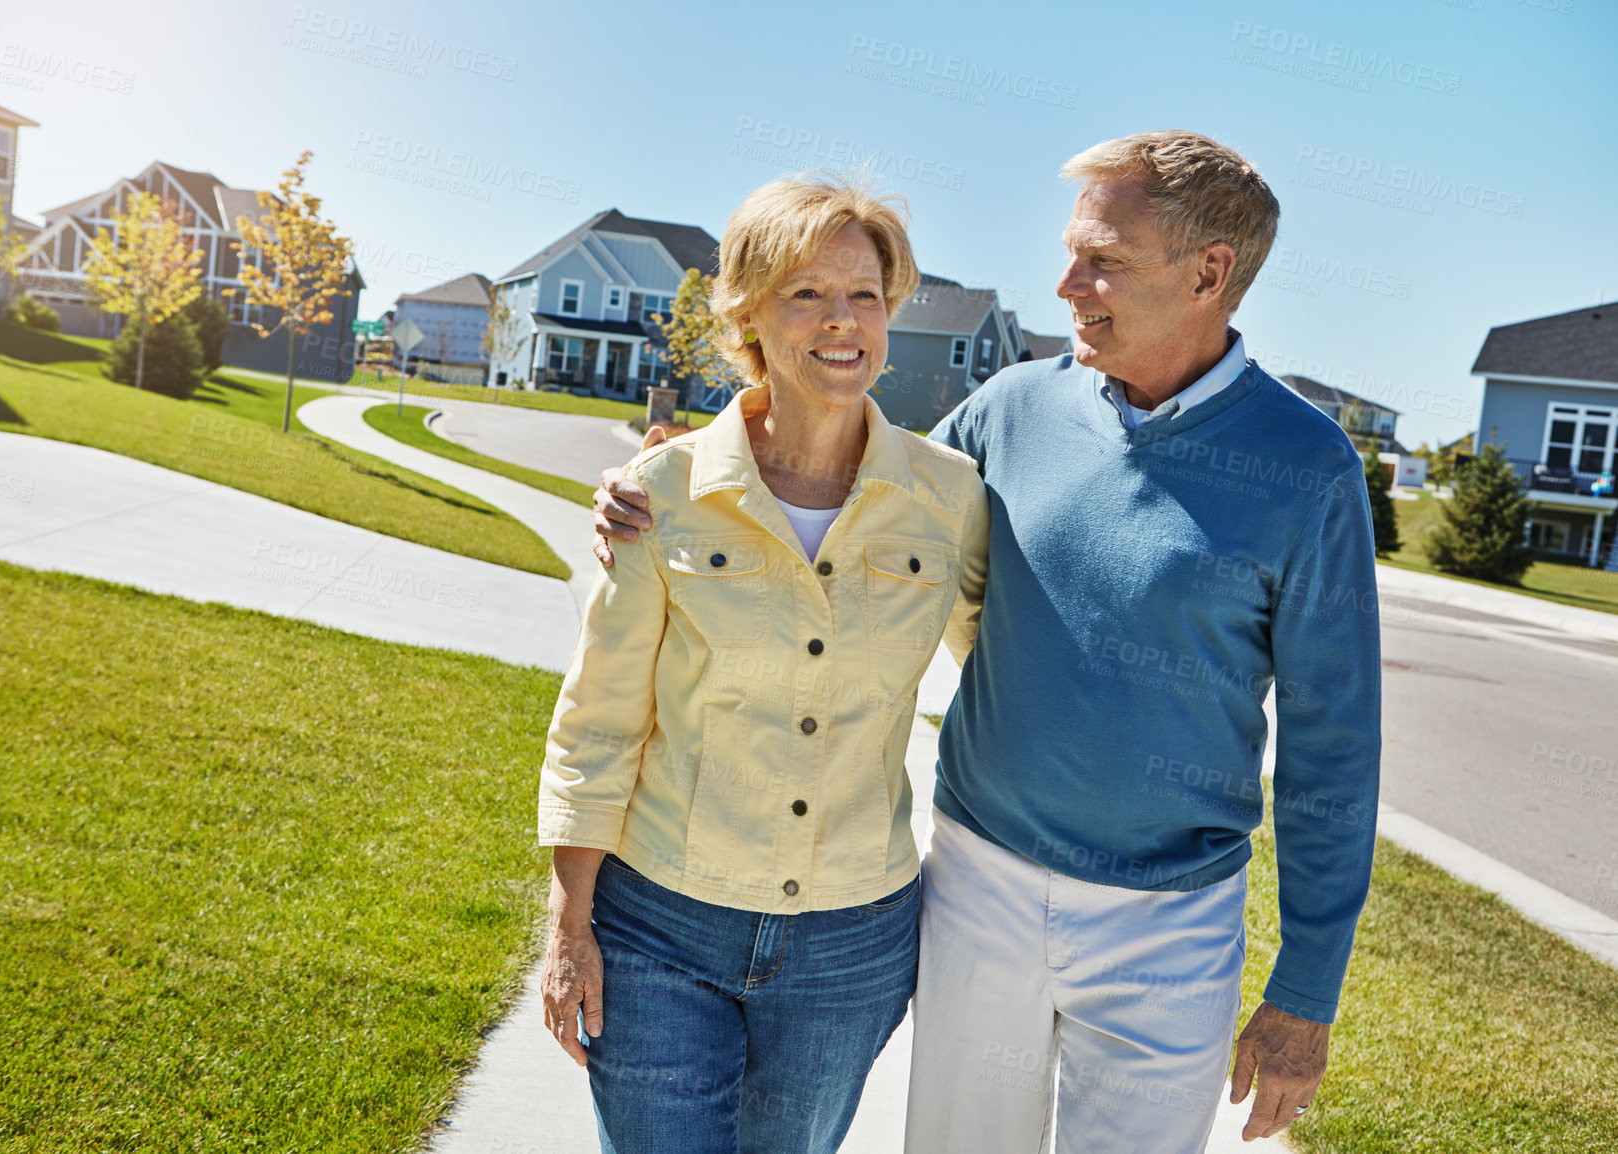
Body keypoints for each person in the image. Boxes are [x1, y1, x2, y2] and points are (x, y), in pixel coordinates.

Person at [591, 130, 1383, 1153]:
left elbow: (1334, 749)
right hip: (979, 883)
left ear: (1210, 272)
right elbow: (853, 475)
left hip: (1171, 922)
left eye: (1102, 258)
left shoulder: (1308, 469)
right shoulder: (1009, 410)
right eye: (1070, 250)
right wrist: (678, 475)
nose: (1065, 282)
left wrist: (1306, 991)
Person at [539, 173, 990, 1154]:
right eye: (806, 294)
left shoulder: (949, 500)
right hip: (659, 923)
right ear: (748, 313)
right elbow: (600, 718)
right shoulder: (663, 492)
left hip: (850, 945)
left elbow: (1009, 665)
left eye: (864, 295)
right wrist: (569, 919)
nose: (843, 322)